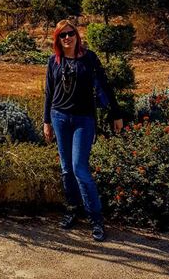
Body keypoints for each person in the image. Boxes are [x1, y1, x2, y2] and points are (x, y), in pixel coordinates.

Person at [43, 19, 123, 242]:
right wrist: (46, 121)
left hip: (83, 120)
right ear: (57, 39)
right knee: (66, 168)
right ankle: (72, 209)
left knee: (79, 168)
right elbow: (49, 93)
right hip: (59, 117)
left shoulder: (89, 59)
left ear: (77, 35)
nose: (67, 38)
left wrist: (116, 113)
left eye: (70, 33)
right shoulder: (54, 61)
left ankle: (95, 217)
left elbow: (104, 86)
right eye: (62, 35)